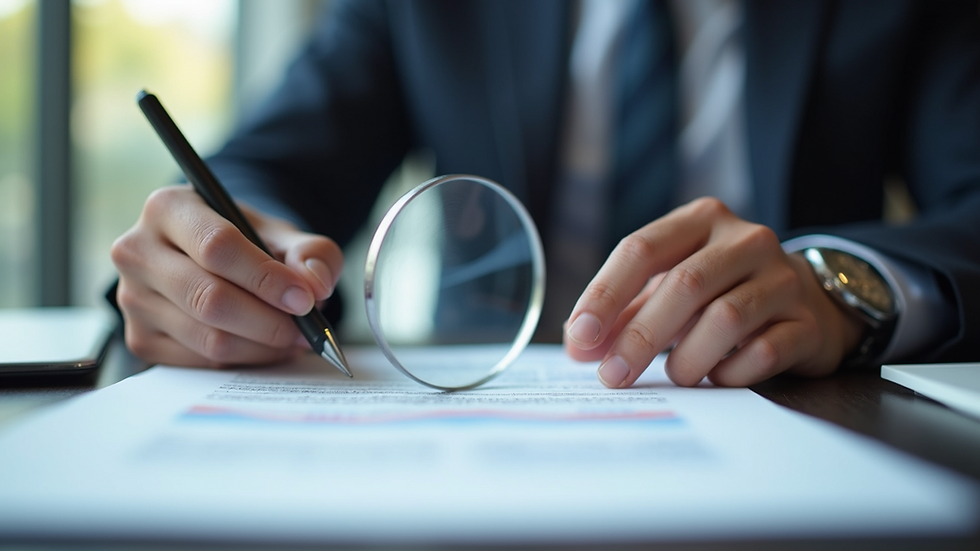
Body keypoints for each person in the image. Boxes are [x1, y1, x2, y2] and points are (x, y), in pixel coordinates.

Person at [110, 0, 980, 388]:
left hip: (786, 414)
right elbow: (268, 169)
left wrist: (838, 282)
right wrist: (215, 256)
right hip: (468, 453)